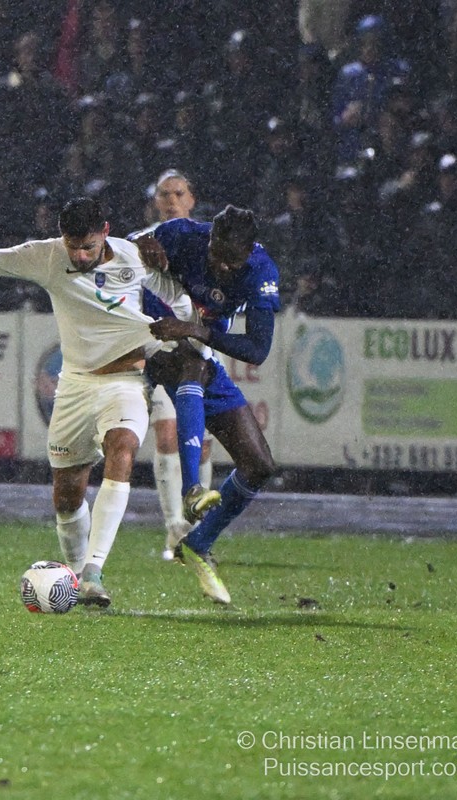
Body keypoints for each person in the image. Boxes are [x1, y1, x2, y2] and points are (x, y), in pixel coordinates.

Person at [0, 196, 191, 607]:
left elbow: (178, 297)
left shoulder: (134, 256)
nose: (81, 255)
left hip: (125, 382)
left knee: (122, 449)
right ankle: (76, 577)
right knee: (68, 497)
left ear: (105, 232)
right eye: (74, 247)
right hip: (73, 386)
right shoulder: (49, 256)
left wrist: (187, 331)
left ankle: (93, 571)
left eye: (88, 246)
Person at [134, 204, 280, 604]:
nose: (220, 266)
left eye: (231, 260)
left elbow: (257, 350)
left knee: (259, 465)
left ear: (248, 252)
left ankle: (198, 543)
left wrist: (196, 331)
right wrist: (141, 241)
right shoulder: (184, 234)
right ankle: (192, 490)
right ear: (209, 237)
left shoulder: (261, 272)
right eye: (215, 253)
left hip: (196, 340)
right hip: (149, 335)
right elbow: (120, 250)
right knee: (192, 367)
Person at [127, 170, 214, 560]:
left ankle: (199, 531)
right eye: (164, 194)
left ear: (191, 199)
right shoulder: (138, 242)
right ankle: (174, 529)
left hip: (199, 346)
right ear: (155, 201)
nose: (171, 200)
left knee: (202, 445)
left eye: (179, 193)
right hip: (158, 350)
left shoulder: (207, 241)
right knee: (166, 435)